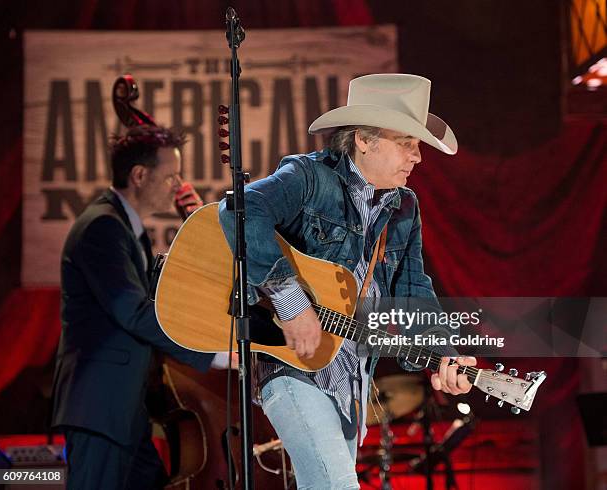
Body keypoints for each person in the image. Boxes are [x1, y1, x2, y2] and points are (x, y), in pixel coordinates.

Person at [219, 74, 476, 489]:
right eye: (405, 142)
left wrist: (444, 352)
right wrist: (291, 302)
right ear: (363, 140)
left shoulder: (404, 207)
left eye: (418, 144)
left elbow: (414, 291)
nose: (418, 157)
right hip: (289, 366)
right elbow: (239, 211)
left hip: (350, 375)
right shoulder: (307, 176)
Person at [51, 125, 228, 490]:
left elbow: (157, 297)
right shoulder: (103, 227)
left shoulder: (125, 228)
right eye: (171, 176)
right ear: (139, 175)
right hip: (100, 406)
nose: (178, 186)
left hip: (123, 409)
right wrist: (212, 354)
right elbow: (133, 310)